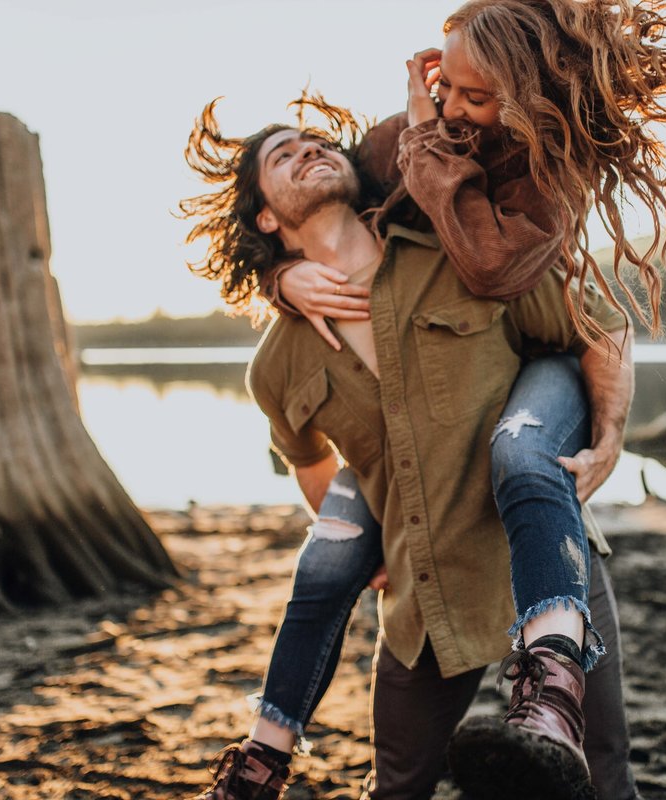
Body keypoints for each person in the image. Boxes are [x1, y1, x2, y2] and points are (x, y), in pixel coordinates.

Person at [180, 119, 633, 800]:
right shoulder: (276, 365)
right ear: (267, 217)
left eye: (319, 142)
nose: (310, 149)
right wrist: (366, 548)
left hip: (546, 565)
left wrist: (606, 439)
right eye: (284, 153)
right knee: (397, 790)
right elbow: (311, 466)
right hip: (424, 604)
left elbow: (591, 327)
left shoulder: (462, 256)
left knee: (604, 785)